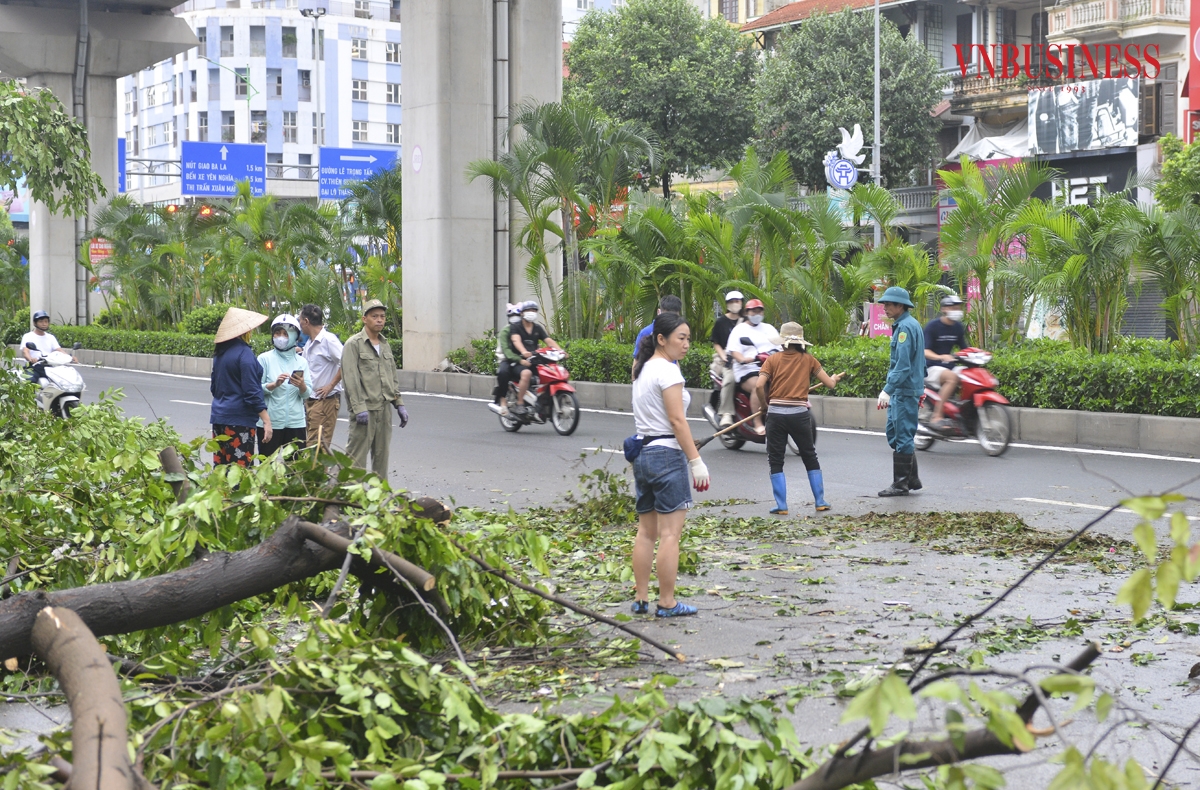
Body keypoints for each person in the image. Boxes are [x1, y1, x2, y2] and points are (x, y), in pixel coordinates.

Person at [630, 312, 709, 618]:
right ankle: (667, 602)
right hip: (667, 454)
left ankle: (640, 598)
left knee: (645, 532)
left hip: (643, 453)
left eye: (688, 338)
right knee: (670, 535)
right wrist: (696, 461)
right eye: (681, 338)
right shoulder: (668, 372)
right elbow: (677, 421)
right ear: (661, 339)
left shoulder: (642, 368)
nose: (687, 344)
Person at [755, 323, 844, 515]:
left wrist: (764, 405)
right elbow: (829, 384)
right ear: (801, 343)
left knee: (776, 460)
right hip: (799, 415)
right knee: (809, 456)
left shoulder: (772, 360)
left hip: (776, 415)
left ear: (783, 342)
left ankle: (782, 505)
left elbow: (758, 386)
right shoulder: (809, 360)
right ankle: (820, 501)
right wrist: (834, 378)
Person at [342, 299, 409, 479]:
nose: (379, 320)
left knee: (382, 457)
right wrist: (359, 408)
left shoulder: (385, 344)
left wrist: (399, 404)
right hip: (365, 411)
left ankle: (378, 500)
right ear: (365, 319)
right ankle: (351, 500)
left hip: (384, 409)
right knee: (356, 459)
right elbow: (350, 379)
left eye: (382, 316)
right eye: (374, 316)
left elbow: (391, 376)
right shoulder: (353, 345)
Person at [875, 287, 925, 497]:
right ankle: (912, 479)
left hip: (903, 390)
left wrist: (887, 390)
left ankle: (901, 484)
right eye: (884, 304)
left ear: (900, 306)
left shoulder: (905, 328)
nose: (885, 308)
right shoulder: (908, 325)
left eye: (889, 304)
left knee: (902, 437)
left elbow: (903, 365)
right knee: (894, 434)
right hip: (905, 389)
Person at [210, 308, 272, 467]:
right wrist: (266, 420)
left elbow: (214, 389)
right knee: (240, 472)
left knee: (222, 471)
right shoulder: (245, 354)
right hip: (239, 422)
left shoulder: (220, 354)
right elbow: (252, 393)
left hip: (219, 419)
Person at [257, 314, 309, 457]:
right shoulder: (264, 359)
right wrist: (273, 385)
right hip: (270, 423)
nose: (280, 337)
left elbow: (307, 394)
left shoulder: (302, 362)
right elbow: (255, 390)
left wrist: (301, 385)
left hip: (296, 423)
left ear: (294, 336)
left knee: (295, 468)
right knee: (267, 469)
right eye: (277, 333)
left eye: (285, 334)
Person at [725, 298, 779, 435]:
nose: (757, 314)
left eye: (759, 311)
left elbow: (780, 347)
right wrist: (743, 359)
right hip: (748, 369)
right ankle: (757, 422)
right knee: (758, 385)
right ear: (747, 312)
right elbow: (734, 351)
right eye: (754, 311)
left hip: (769, 367)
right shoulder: (739, 330)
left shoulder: (769, 328)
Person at [298, 304, 344, 453]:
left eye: (299, 321)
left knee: (317, 448)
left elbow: (347, 362)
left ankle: (318, 476)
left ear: (306, 321)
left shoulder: (328, 340)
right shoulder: (310, 342)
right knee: (313, 446)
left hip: (325, 401)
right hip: (311, 400)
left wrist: (330, 385)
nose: (299, 325)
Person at [509, 300, 563, 414]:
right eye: (529, 310)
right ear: (522, 313)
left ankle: (542, 400)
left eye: (534, 310)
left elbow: (548, 340)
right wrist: (523, 352)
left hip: (534, 360)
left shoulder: (537, 328)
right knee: (527, 374)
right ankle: (520, 403)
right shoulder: (516, 327)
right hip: (519, 361)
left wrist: (560, 350)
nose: (531, 312)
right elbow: (516, 340)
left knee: (549, 372)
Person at [924, 295, 967, 431]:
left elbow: (964, 349)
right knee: (952, 378)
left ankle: (964, 412)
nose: (957, 310)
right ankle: (937, 415)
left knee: (970, 375)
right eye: (953, 308)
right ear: (944, 309)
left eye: (958, 307)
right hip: (931, 367)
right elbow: (924, 351)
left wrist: (977, 354)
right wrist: (940, 356)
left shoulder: (958, 327)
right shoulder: (933, 327)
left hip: (949, 367)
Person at [710, 291, 744, 427]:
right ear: (727, 304)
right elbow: (716, 343)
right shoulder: (721, 322)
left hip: (745, 357)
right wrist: (724, 356)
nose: (735, 304)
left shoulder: (747, 321)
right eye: (732, 301)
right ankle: (726, 413)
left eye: (738, 301)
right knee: (730, 379)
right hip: (728, 357)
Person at [489, 303, 524, 416]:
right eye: (513, 315)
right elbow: (506, 351)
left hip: (522, 359)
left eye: (517, 314)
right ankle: (503, 402)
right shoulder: (505, 331)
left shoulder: (526, 330)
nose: (515, 317)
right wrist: (519, 358)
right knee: (503, 373)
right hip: (507, 360)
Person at [21, 310, 74, 382]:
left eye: (46, 321)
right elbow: (25, 351)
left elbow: (59, 350)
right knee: (30, 381)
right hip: (33, 366)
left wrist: (70, 358)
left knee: (65, 380)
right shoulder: (28, 336)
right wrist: (31, 359)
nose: (44, 324)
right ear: (35, 323)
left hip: (49, 367)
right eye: (41, 321)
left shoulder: (51, 337)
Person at [632, 295, 683, 360]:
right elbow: (637, 362)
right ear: (659, 312)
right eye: (667, 316)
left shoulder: (675, 332)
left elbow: (675, 361)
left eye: (674, 317)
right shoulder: (646, 332)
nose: (670, 320)